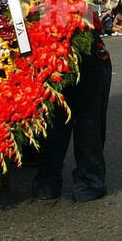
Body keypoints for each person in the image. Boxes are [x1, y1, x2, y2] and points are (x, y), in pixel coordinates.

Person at [33, 14, 112, 202]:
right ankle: (88, 184)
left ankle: (47, 183)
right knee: (89, 114)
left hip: (45, 39)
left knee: (53, 114)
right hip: (79, 35)